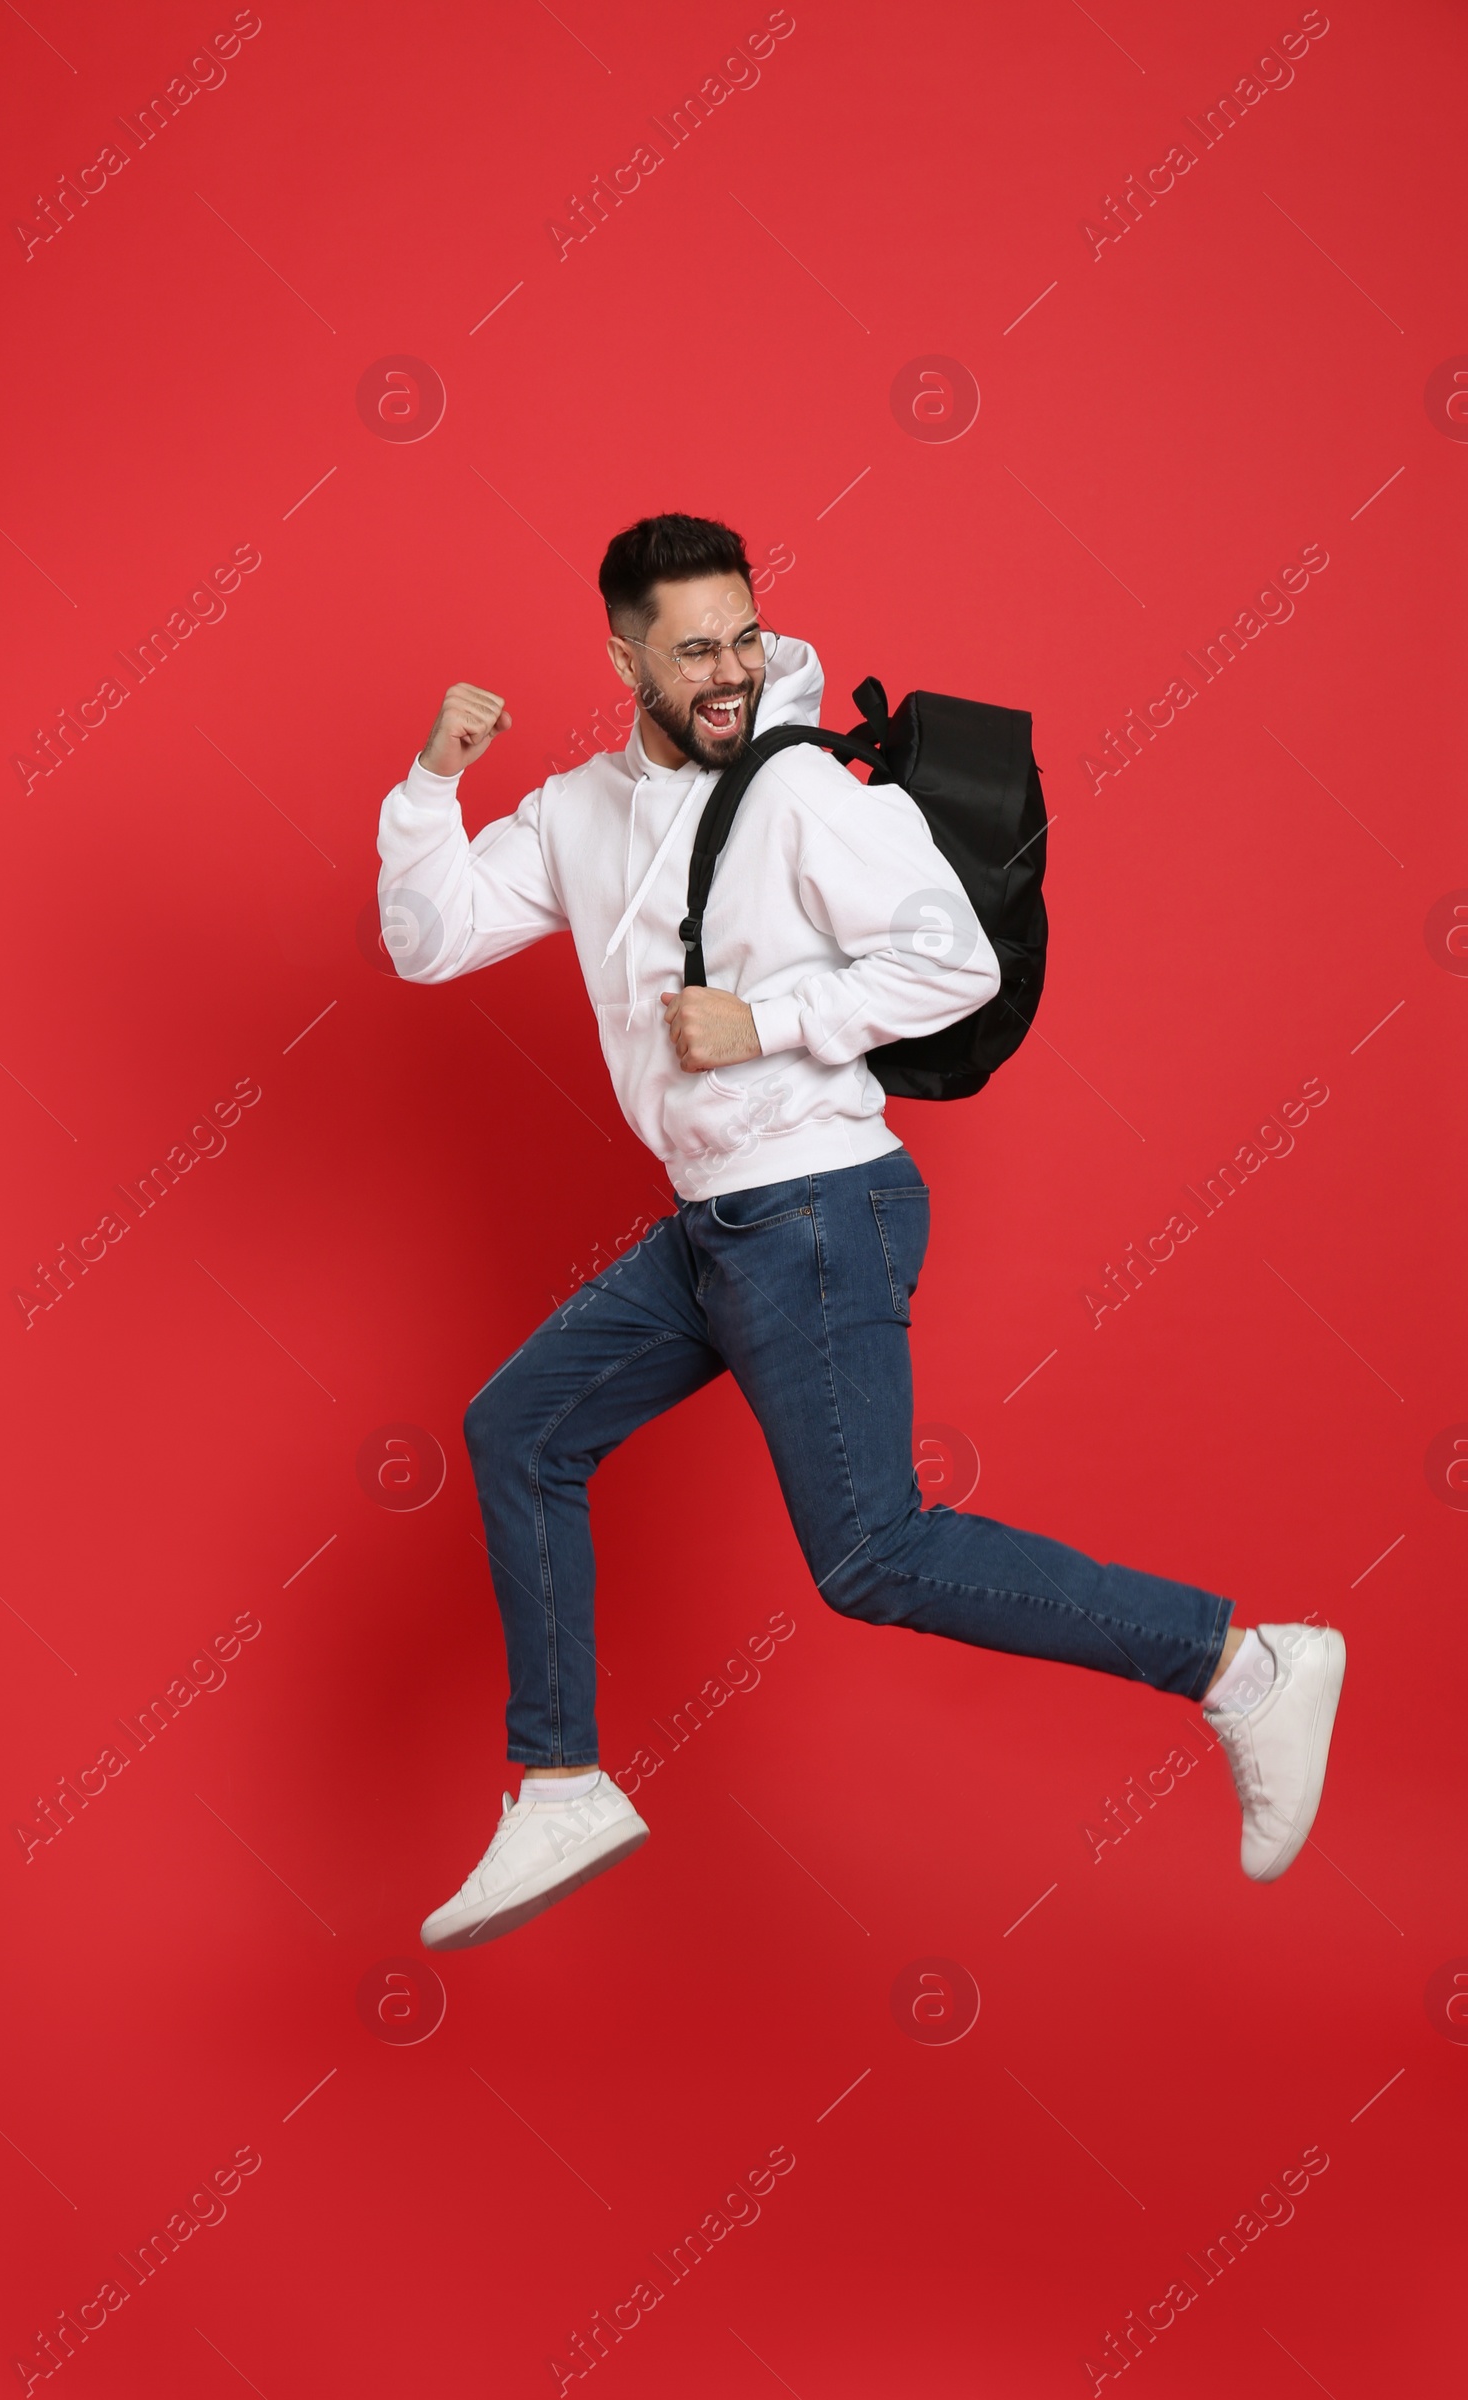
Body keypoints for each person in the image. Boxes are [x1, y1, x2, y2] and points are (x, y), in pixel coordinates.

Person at [375, 512, 1345, 1951]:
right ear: (623, 656)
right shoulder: (578, 813)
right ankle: (564, 1779)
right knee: (520, 1431)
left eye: (744, 636)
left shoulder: (802, 789)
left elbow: (950, 957)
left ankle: (1242, 1665)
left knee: (871, 1558)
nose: (728, 671)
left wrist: (765, 1019)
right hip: (715, 1228)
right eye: (694, 647)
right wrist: (430, 783)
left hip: (820, 1206)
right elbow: (431, 936)